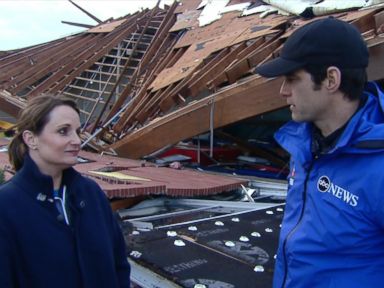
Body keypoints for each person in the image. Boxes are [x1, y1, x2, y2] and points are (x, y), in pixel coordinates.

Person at [255, 17, 384, 288]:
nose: (283, 91)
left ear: (331, 79)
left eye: (292, 79)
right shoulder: (303, 145)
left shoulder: (378, 167)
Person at [0, 94, 131, 287]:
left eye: (77, 132)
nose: (76, 140)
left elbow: (119, 264)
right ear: (31, 139)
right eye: (63, 131)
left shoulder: (91, 193)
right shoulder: (6, 207)